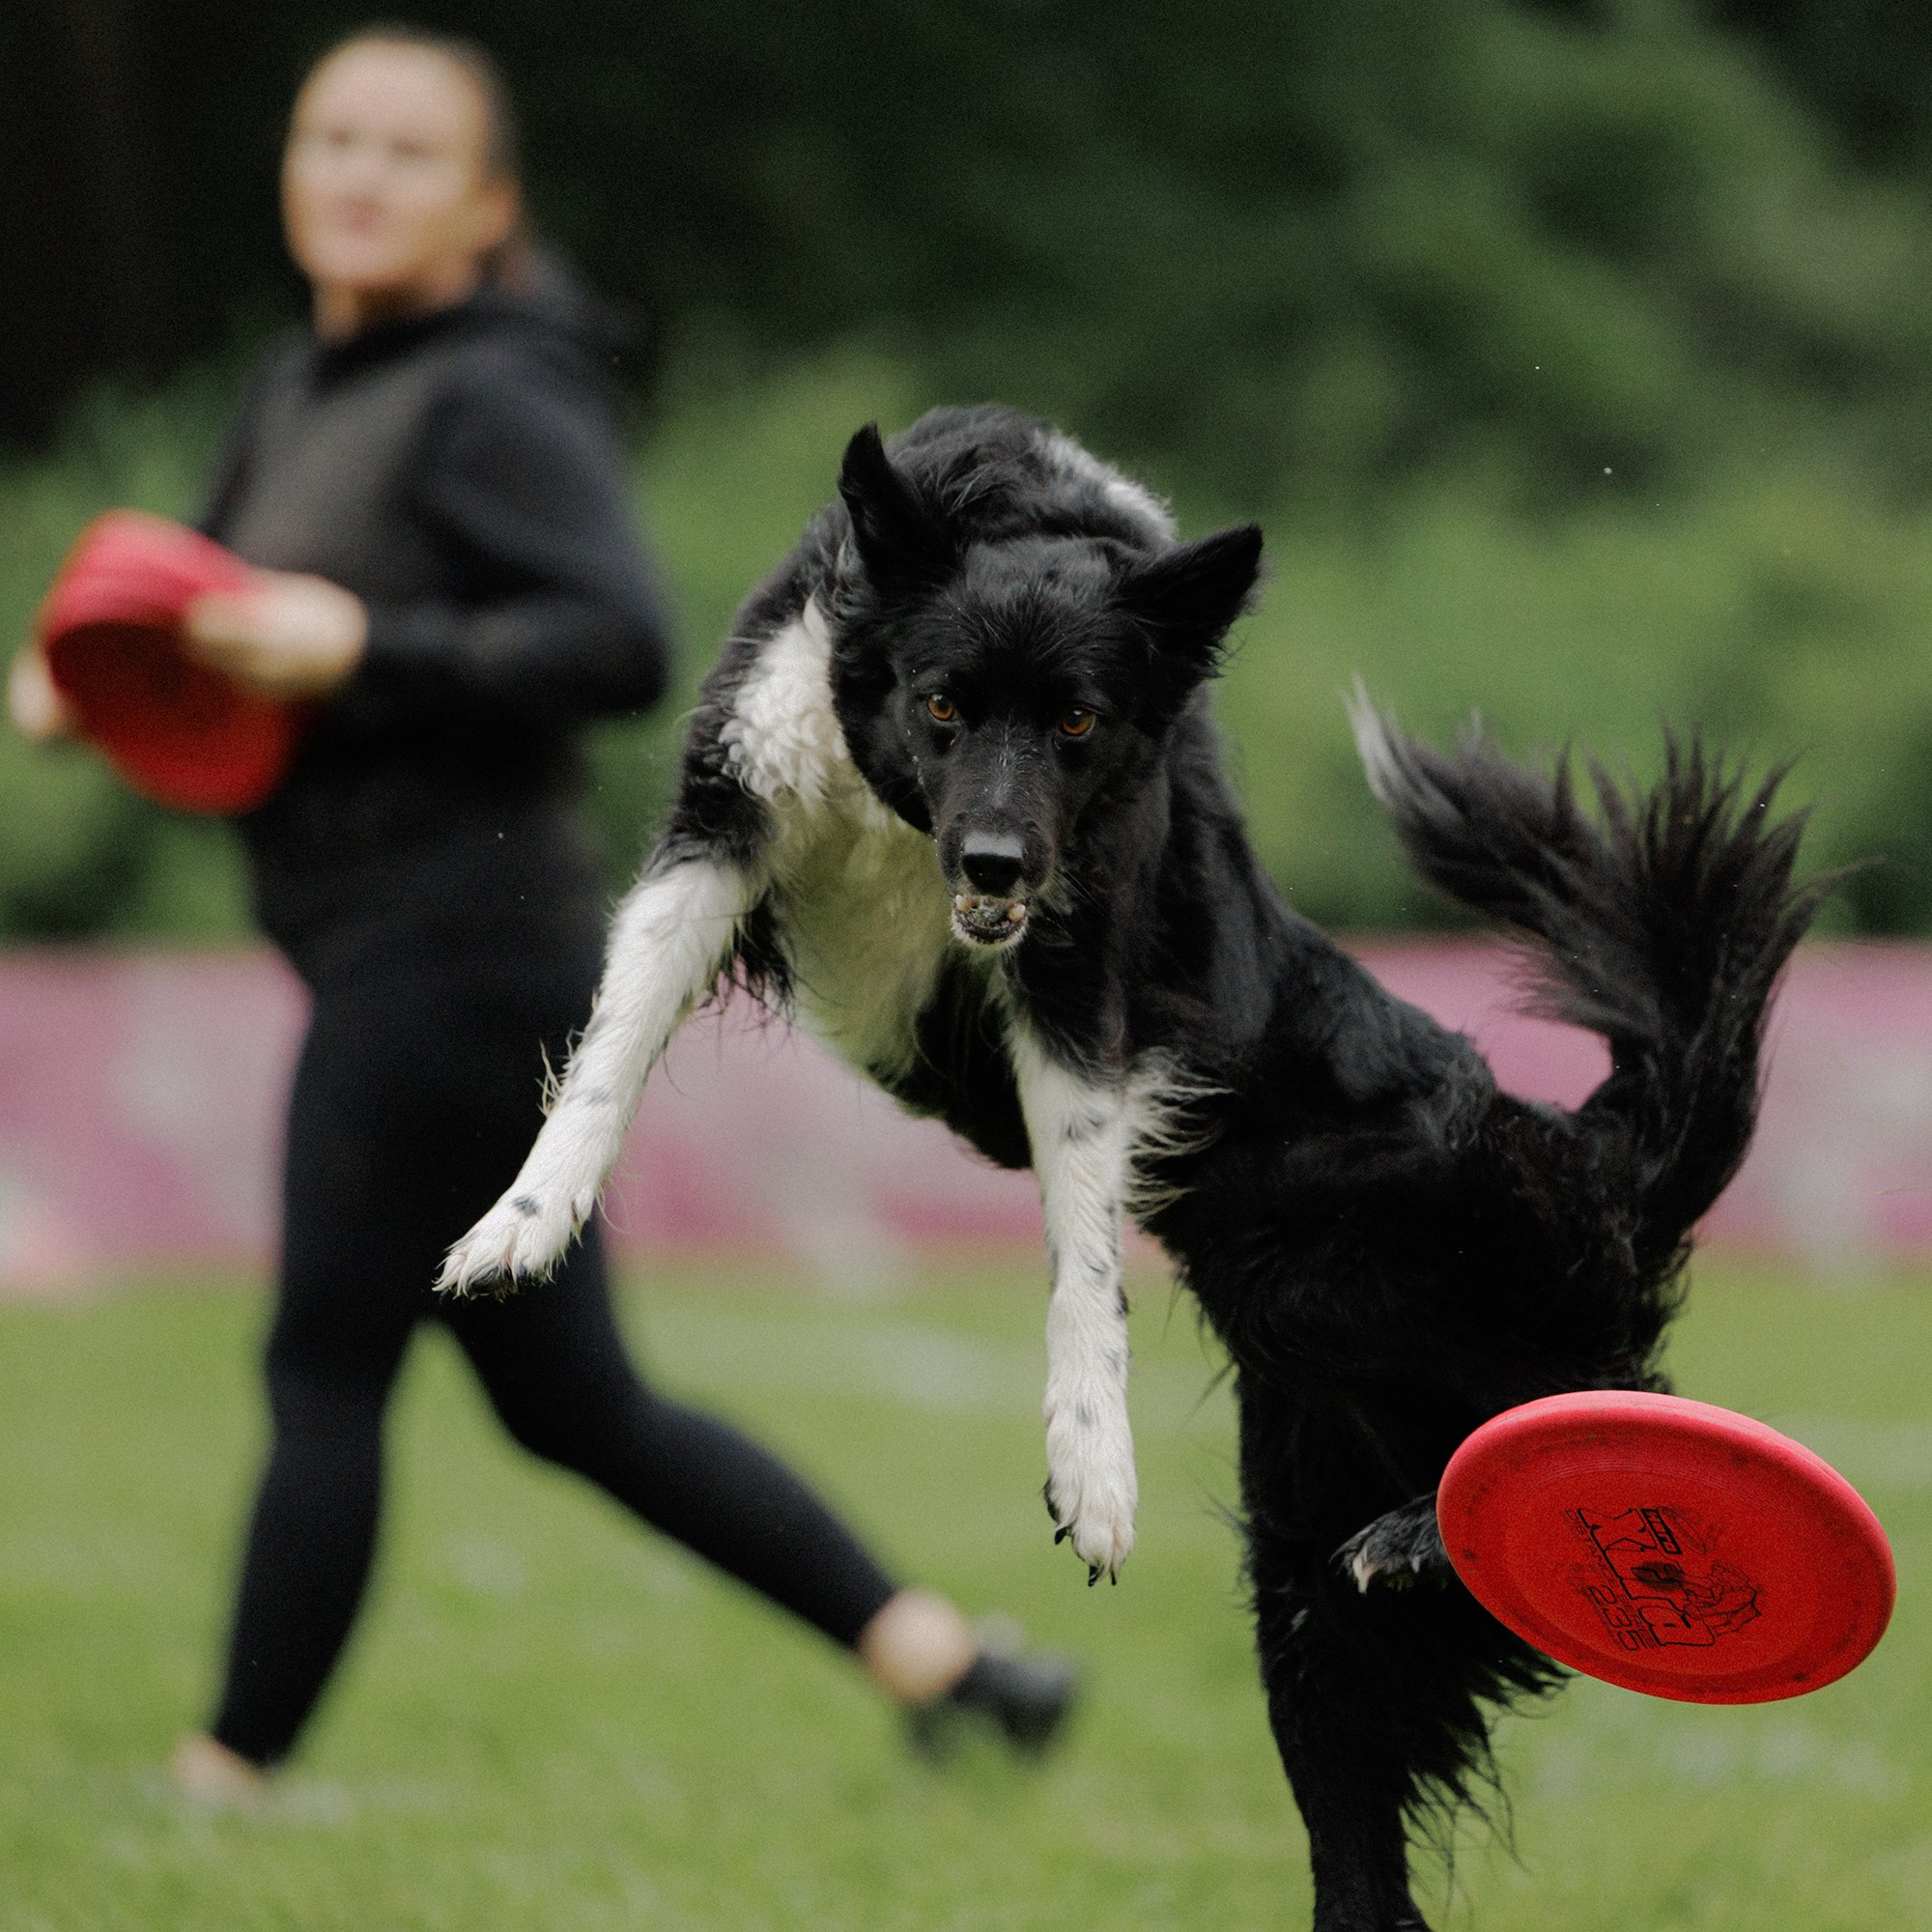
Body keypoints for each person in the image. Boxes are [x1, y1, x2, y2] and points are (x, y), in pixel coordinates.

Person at [10, 25, 1074, 1800]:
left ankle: (224, 1774)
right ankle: (952, 1667)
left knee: (323, 1365)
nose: (357, 172)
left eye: (409, 153)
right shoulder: (300, 387)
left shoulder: (502, 390)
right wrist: (91, 673)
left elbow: (618, 640)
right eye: (330, 134)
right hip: (391, 947)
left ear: (489, 204)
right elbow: (194, 608)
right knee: (578, 1408)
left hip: (454, 951)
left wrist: (364, 644)